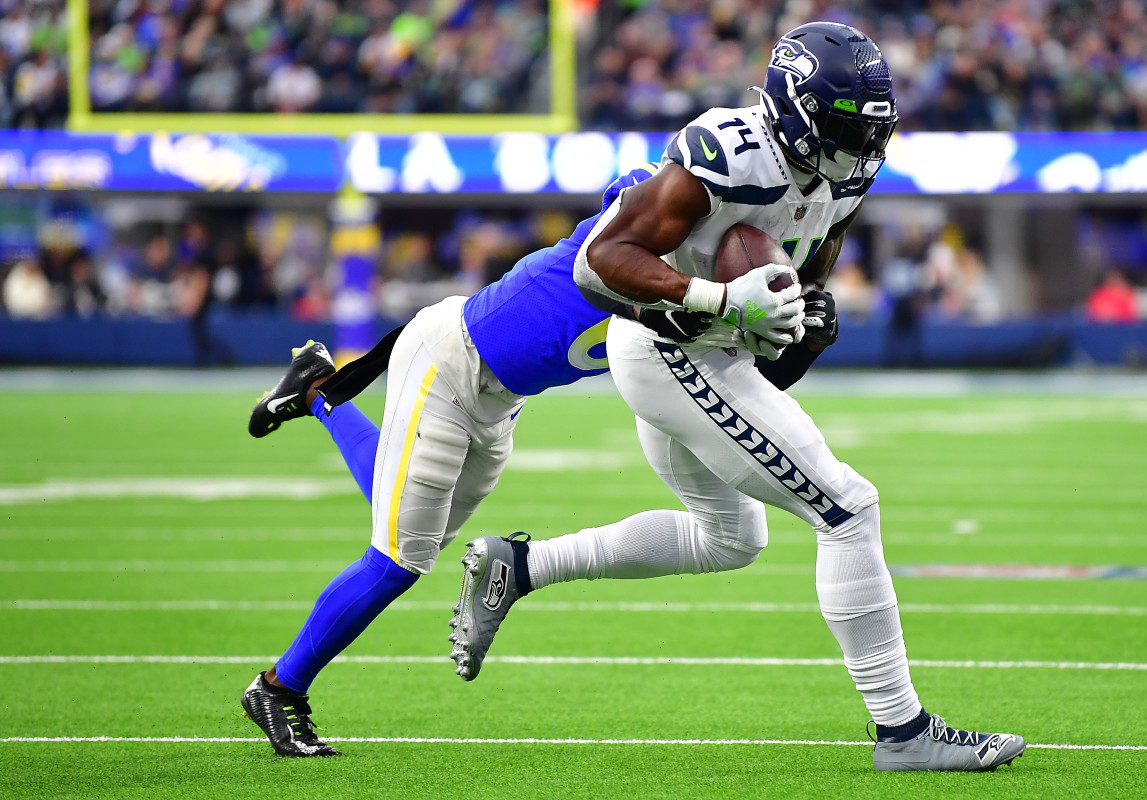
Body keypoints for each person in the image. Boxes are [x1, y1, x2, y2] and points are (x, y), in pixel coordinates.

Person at [449, 22, 1025, 772]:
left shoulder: (844, 172)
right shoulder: (726, 155)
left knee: (730, 539)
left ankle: (519, 568)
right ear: (793, 109)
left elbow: (803, 275)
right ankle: (902, 731)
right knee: (848, 509)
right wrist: (716, 299)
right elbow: (600, 262)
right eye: (848, 128)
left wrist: (805, 315)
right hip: (670, 346)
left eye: (871, 130)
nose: (863, 147)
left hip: (710, 348)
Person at [238, 158, 827, 757]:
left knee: (417, 528)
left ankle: (316, 392)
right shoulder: (633, 258)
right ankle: (278, 687)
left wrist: (798, 328)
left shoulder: (695, 284)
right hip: (448, 363)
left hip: (500, 399)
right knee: (399, 557)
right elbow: (632, 236)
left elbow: (754, 376)